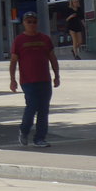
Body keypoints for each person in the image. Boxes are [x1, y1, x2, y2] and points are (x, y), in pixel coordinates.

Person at [9, 11, 60, 148]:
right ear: (24, 23)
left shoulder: (45, 39)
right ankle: (24, 130)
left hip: (44, 80)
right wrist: (12, 79)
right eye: (28, 21)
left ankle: (40, 138)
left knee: (44, 109)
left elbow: (52, 58)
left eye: (34, 21)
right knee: (32, 107)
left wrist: (57, 76)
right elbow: (13, 61)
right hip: (28, 81)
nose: (32, 24)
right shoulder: (19, 41)